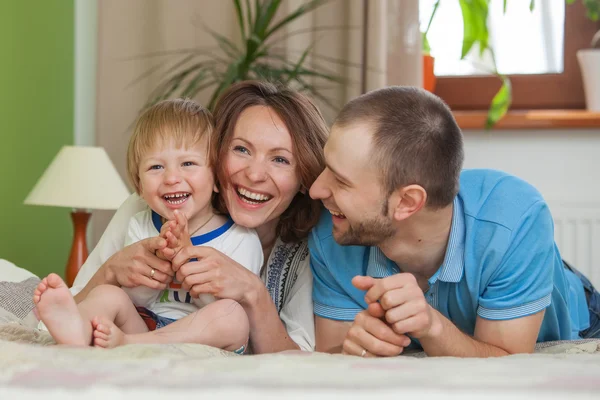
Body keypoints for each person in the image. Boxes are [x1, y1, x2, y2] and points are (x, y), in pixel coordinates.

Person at [308, 86, 600, 357]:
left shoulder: (514, 221)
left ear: (407, 202)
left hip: (576, 322)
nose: (315, 190)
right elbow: (334, 356)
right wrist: (356, 348)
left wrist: (433, 326)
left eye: (341, 181)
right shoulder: (333, 230)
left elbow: (507, 367)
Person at [64, 81, 328, 353]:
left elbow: (302, 361)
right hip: (139, 328)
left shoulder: (314, 248)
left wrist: (253, 293)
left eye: (280, 160)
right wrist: (111, 271)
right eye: (241, 149)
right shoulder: (148, 208)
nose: (254, 174)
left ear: (304, 176)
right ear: (217, 154)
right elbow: (74, 304)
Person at [34, 99, 262, 353]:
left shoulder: (241, 238)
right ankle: (76, 329)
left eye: (188, 163)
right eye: (156, 167)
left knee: (232, 314)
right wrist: (156, 261)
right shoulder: (141, 224)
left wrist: (185, 257)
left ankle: (128, 345)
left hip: (201, 338)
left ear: (216, 177)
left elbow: (223, 302)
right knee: (110, 294)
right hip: (142, 325)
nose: (172, 178)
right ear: (140, 186)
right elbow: (138, 299)